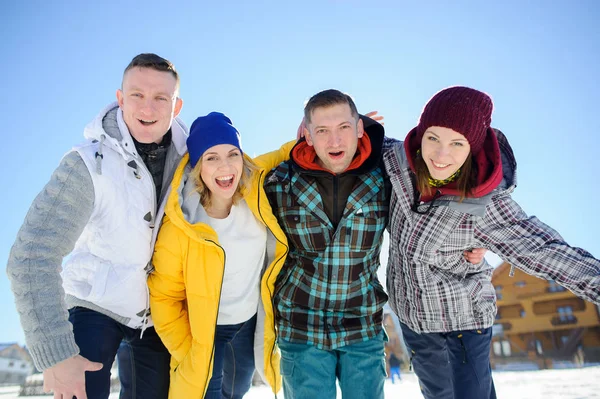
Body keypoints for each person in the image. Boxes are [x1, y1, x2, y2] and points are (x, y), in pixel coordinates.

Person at [384, 86, 600, 399]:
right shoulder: (397, 164)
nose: (441, 154)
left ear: (471, 148)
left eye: (457, 143)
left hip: (464, 321)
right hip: (414, 322)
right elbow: (348, 141)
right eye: (433, 138)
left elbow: (545, 251)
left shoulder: (486, 204)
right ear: (421, 134)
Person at [6, 53, 186, 399]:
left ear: (176, 106)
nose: (147, 108)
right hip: (94, 307)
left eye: (160, 98)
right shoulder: (87, 164)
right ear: (120, 99)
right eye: (136, 95)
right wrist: (56, 356)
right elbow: (30, 257)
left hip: (157, 316)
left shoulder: (193, 163)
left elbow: (241, 171)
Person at [147, 112, 294, 398]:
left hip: (248, 325)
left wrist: (329, 128)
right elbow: (164, 297)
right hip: (205, 335)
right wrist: (189, 349)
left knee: (236, 391)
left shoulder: (254, 185)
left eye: (232, 154)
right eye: (211, 157)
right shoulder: (182, 225)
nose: (225, 167)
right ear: (197, 165)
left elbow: (284, 152)